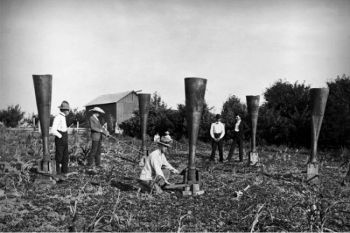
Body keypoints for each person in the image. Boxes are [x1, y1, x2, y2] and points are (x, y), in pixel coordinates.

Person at [51, 101, 70, 174]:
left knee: (65, 156)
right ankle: (57, 172)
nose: (68, 111)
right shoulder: (58, 117)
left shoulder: (63, 117)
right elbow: (53, 130)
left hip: (64, 139)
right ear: (64, 110)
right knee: (59, 157)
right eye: (67, 110)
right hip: (60, 139)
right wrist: (61, 136)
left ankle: (64, 172)